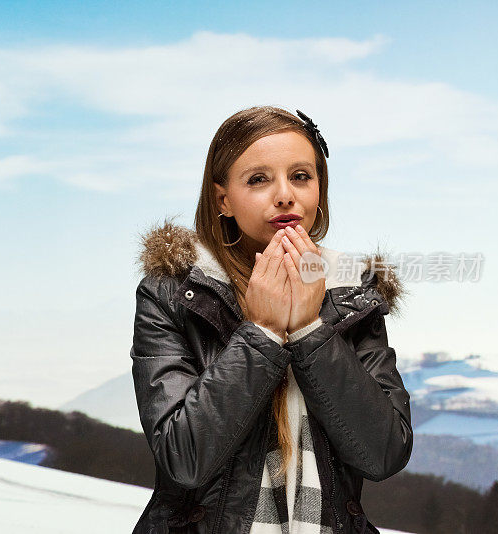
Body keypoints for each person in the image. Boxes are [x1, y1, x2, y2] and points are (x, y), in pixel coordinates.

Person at [129, 105, 412, 534]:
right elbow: (181, 458)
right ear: (222, 198)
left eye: (301, 176)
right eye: (259, 179)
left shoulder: (352, 296)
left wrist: (311, 331)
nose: (285, 195)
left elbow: (384, 453)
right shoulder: (173, 294)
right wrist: (260, 334)